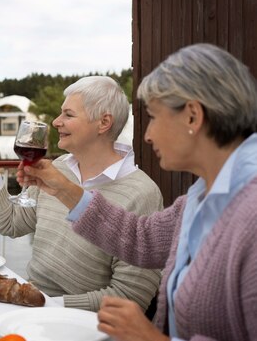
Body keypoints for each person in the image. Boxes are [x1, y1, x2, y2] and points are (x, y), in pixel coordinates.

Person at [21, 44, 257, 341]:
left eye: (155, 118)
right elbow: (141, 238)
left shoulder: (250, 213)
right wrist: (65, 190)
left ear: (192, 117)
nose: (148, 134)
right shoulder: (202, 195)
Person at [0, 76, 163, 312]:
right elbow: (10, 224)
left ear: (103, 123)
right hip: (33, 304)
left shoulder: (142, 193)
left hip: (86, 325)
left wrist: (45, 305)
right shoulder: (58, 167)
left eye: (68, 115)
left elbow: (130, 298)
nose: (56, 121)